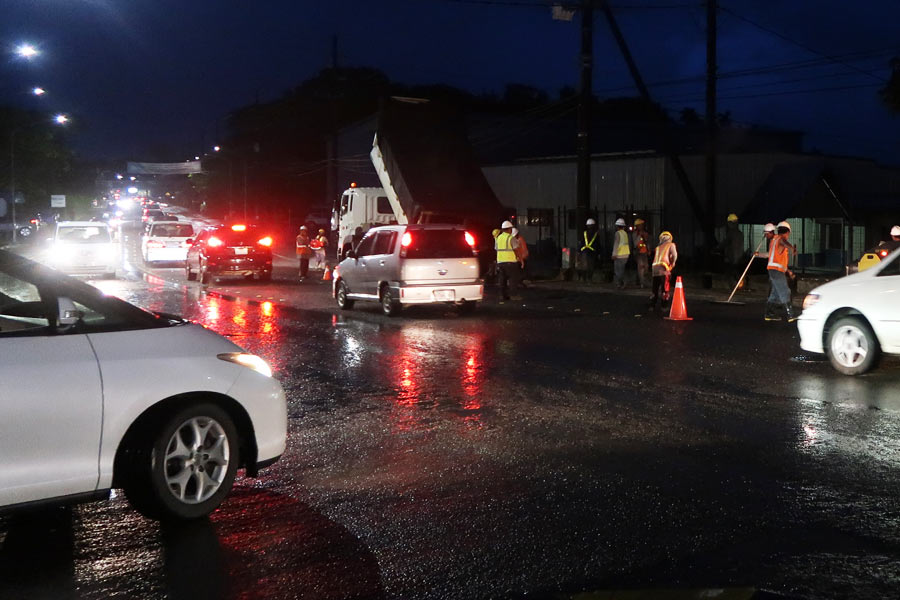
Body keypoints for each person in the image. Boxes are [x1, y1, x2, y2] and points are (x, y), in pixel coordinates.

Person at [765, 221, 799, 322]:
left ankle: (769, 313)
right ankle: (790, 315)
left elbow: (779, 261)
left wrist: (788, 272)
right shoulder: (781, 239)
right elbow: (784, 242)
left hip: (774, 270)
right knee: (785, 291)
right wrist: (792, 248)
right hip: (776, 271)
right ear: (787, 232)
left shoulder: (774, 241)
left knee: (775, 293)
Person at [649, 231, 677, 312]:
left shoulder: (657, 248)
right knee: (665, 288)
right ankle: (664, 306)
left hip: (655, 268)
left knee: (655, 288)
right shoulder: (671, 245)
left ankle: (652, 305)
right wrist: (673, 263)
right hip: (664, 268)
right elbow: (674, 255)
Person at [495, 220, 521, 301]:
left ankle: (503, 296)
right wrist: (519, 259)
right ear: (509, 229)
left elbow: (496, 249)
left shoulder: (498, 238)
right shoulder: (511, 238)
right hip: (511, 262)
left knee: (502, 280)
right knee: (513, 279)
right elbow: (516, 249)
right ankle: (513, 295)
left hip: (500, 262)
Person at [720, 213, 745, 289]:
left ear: (731, 223)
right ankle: (739, 284)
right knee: (736, 272)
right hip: (739, 257)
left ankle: (733, 286)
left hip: (731, 258)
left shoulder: (731, 233)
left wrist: (717, 248)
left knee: (730, 273)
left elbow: (725, 243)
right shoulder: (740, 234)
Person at [611, 217, 630, 289]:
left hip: (619, 255)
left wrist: (614, 254)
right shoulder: (625, 233)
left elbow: (616, 244)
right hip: (626, 254)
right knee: (622, 270)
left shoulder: (617, 233)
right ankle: (621, 283)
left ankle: (622, 283)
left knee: (618, 271)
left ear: (617, 226)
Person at [632, 218, 650, 288]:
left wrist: (648, 250)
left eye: (642, 225)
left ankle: (640, 281)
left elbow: (647, 242)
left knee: (646, 267)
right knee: (641, 267)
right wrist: (640, 235)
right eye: (640, 225)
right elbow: (635, 243)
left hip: (644, 252)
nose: (641, 226)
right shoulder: (635, 234)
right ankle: (642, 283)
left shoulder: (645, 233)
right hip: (638, 253)